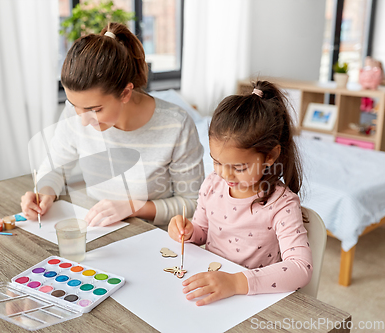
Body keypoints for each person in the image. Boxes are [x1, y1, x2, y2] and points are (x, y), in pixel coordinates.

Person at [21, 22, 204, 227]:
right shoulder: (74, 115)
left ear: (125, 93)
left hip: (152, 236)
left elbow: (193, 203)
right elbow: (55, 168)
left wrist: (133, 207)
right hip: (97, 228)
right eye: (74, 106)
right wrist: (43, 192)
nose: (83, 120)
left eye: (95, 110)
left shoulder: (176, 125)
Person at [168, 80, 312, 306]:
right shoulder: (212, 184)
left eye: (239, 167)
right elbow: (202, 232)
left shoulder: (282, 205)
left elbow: (301, 268)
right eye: (217, 162)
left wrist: (235, 283)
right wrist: (187, 231)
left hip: (251, 299)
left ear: (270, 156)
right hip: (213, 288)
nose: (226, 175)